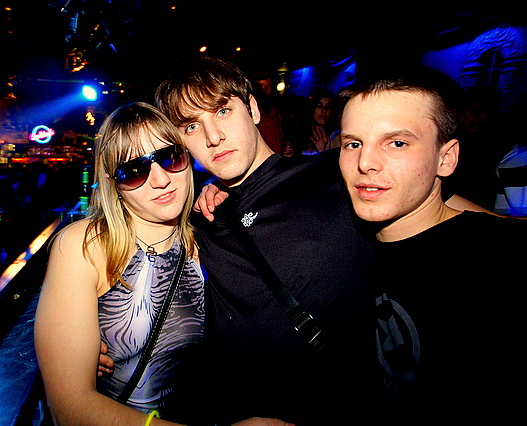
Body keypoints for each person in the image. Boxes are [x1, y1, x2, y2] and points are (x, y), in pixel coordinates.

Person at [155, 56, 377, 424]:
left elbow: (441, 212)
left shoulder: (334, 175)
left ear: (253, 109)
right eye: (192, 126)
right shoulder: (199, 217)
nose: (213, 137)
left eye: (223, 111)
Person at [338, 78, 527, 422]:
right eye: (353, 144)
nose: (366, 162)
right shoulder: (346, 241)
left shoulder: (503, 261)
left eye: (397, 143)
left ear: (446, 158)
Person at [34, 102, 205, 425]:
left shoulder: (210, 239)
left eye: (170, 157)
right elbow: (70, 409)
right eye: (134, 171)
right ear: (113, 183)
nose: (161, 179)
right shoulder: (85, 246)